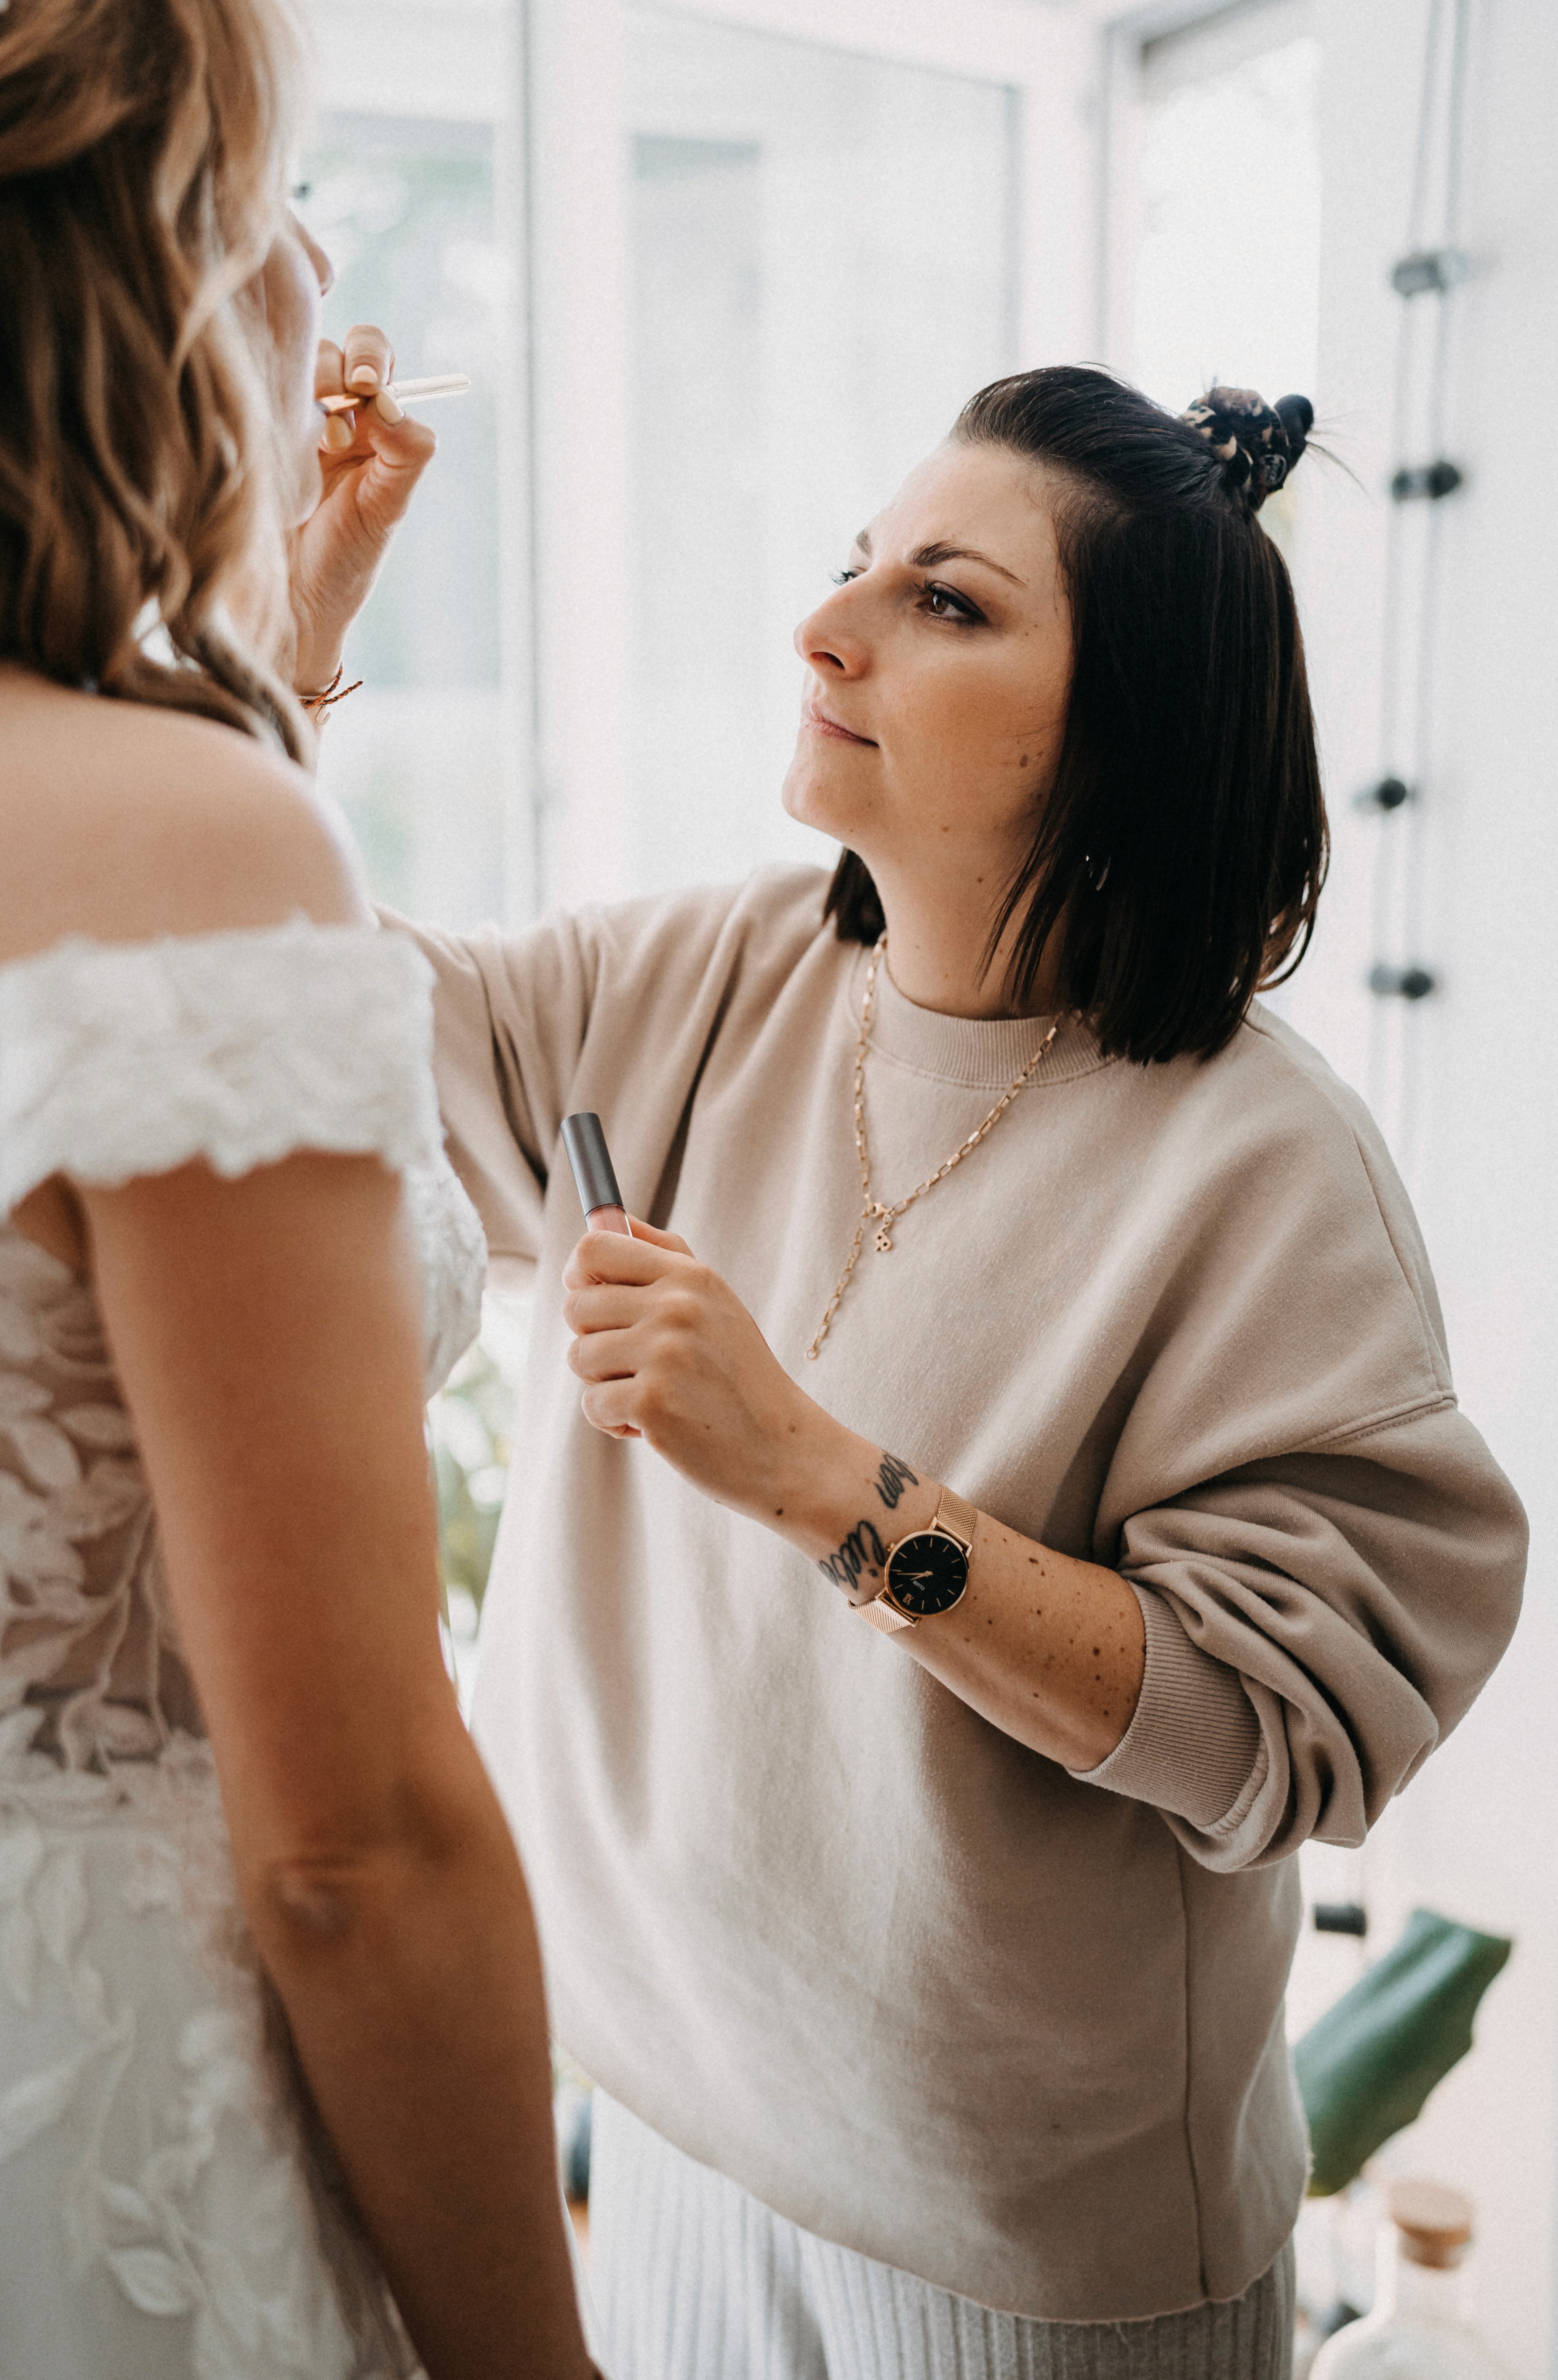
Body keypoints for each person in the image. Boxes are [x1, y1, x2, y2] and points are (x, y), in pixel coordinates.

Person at [341, 368, 1527, 2379]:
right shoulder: (704, 977)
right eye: (854, 568)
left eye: (946, 602)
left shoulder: (1264, 1170)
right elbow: (301, 1021)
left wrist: (819, 1481)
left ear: (1127, 731)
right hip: (664, 2123)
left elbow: (1281, 1732)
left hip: (1025, 2252)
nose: (828, 628)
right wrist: (293, 637)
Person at [0, 0, 597, 2380]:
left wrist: (267, 669)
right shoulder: (169, 845)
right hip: (122, 2123)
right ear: (107, 278)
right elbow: (354, 1843)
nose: (318, 269)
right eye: (263, 197)